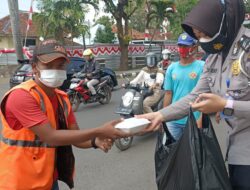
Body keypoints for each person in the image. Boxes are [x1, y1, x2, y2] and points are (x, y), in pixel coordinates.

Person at [137, 0, 249, 189]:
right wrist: (159, 115)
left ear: (222, 23)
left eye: (205, 34)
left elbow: (224, 104)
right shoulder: (214, 57)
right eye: (198, 36)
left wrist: (224, 106)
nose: (202, 40)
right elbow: (193, 96)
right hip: (235, 146)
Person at [0, 39, 128, 190]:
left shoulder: (62, 98)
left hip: (48, 180)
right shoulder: (21, 96)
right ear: (35, 67)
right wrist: (100, 130)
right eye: (48, 65)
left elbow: (75, 136)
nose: (56, 70)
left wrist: (95, 142)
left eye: (60, 66)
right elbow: (51, 137)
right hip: (19, 183)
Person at [163, 32, 204, 140]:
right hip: (173, 120)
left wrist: (201, 118)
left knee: (192, 154)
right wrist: (163, 116)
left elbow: (205, 95)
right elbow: (168, 94)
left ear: (194, 47)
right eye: (180, 46)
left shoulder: (202, 67)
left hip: (193, 120)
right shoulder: (171, 68)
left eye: (186, 46)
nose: (182, 49)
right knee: (169, 151)